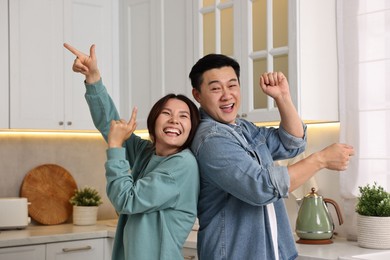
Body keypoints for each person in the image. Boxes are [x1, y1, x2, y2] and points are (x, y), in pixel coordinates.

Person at [188, 53, 355, 260]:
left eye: (232, 85)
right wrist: (320, 160)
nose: (226, 95)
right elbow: (261, 187)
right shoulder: (211, 140)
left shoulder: (242, 128)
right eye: (215, 88)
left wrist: (283, 97)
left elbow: (291, 143)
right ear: (198, 95)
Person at [64, 43, 201, 260]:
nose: (175, 119)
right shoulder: (148, 152)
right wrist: (93, 78)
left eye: (183, 116)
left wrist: (116, 147)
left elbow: (127, 200)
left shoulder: (182, 164)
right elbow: (109, 125)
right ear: (154, 121)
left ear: (192, 128)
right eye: (166, 113)